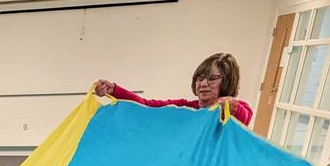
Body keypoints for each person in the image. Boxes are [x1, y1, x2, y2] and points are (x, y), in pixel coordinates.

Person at [93, 52, 253, 125]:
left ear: (227, 81)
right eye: (200, 78)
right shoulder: (186, 107)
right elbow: (146, 105)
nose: (203, 84)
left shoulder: (233, 109)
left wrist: (232, 107)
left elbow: (245, 116)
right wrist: (114, 90)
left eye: (212, 79)